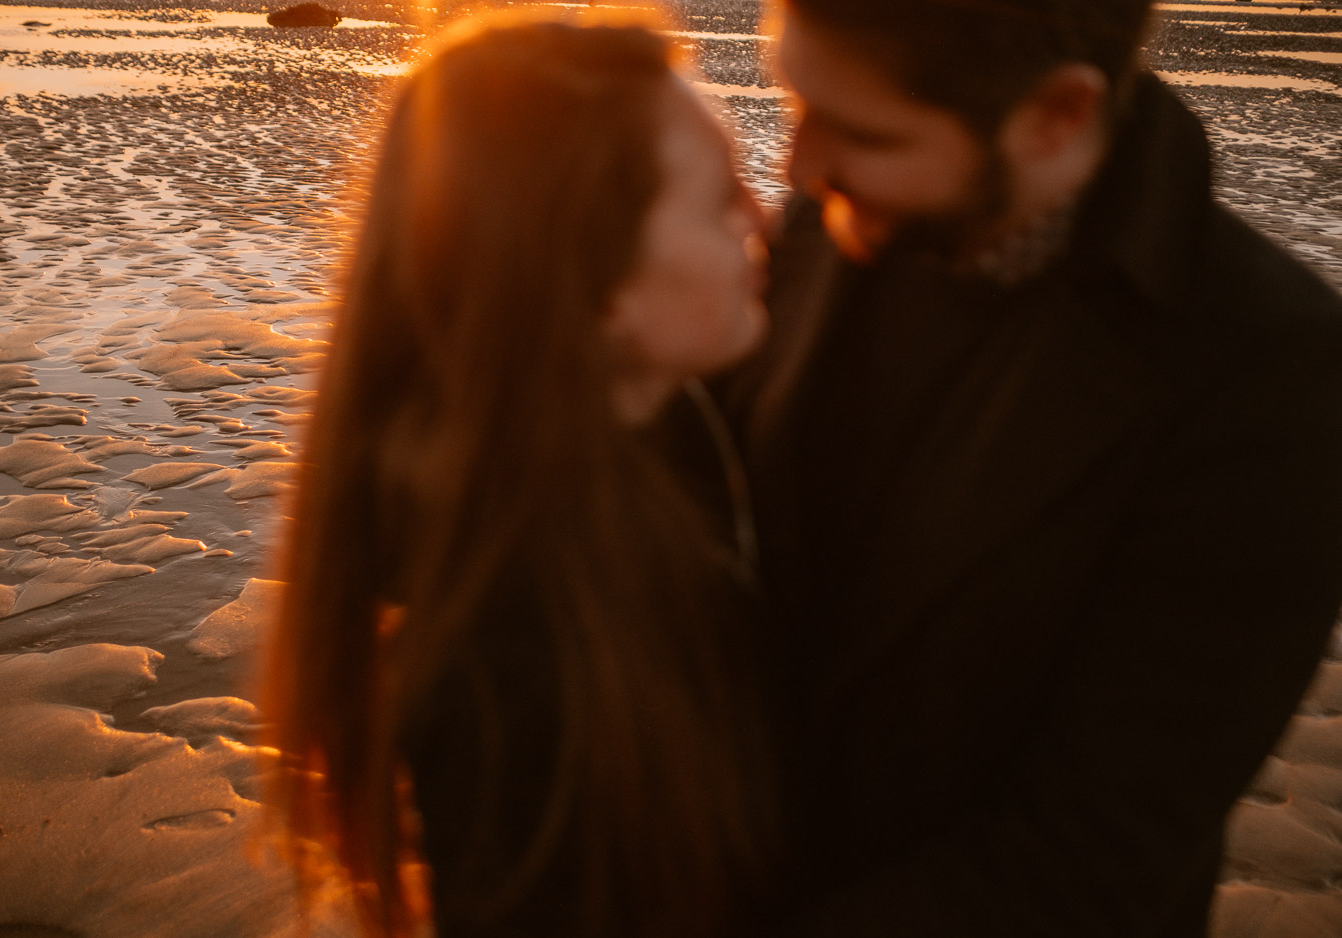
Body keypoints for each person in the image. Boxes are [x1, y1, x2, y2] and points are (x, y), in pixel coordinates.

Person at [727, 0, 1342, 934]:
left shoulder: (1269, 368)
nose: (799, 165)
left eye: (860, 130)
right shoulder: (854, 204)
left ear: (1058, 114)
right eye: (795, 101)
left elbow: (1090, 857)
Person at [259, 13, 773, 938]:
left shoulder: (653, 426)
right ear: (597, 282)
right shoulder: (506, 679)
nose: (764, 217)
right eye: (722, 199)